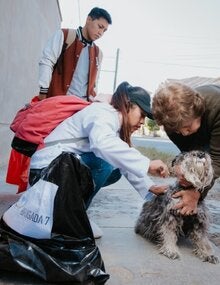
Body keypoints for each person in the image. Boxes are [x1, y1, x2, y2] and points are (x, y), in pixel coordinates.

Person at [28, 81, 169, 235]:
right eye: (142, 115)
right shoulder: (103, 113)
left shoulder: (112, 121)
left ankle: (72, 214)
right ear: (128, 105)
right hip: (45, 174)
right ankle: (73, 218)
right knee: (105, 163)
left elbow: (121, 158)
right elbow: (103, 145)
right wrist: (147, 164)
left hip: (58, 170)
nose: (142, 122)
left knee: (113, 168)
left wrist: (150, 187)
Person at [152, 82, 220, 215]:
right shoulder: (171, 123)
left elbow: (217, 160)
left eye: (187, 127)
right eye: (178, 131)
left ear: (197, 112)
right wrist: (184, 172)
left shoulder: (216, 107)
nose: (183, 133)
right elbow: (190, 155)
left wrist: (196, 192)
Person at [38, 7, 112, 101]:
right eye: (100, 27)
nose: (101, 33)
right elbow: (47, 62)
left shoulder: (98, 54)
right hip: (58, 103)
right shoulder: (64, 35)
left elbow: (94, 84)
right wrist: (43, 93)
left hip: (82, 108)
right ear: (89, 19)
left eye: (104, 30)